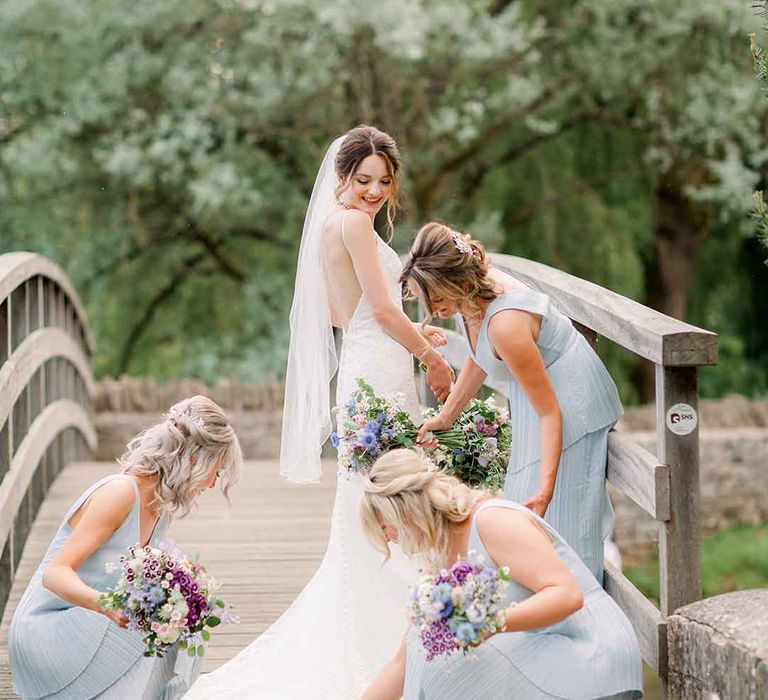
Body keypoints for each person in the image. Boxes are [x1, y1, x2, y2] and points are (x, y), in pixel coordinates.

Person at [185, 126, 454, 699]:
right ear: (342, 176)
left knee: (373, 495)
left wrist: (410, 335)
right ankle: (394, 637)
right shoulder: (354, 223)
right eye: (364, 180)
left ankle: (393, 634)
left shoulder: (334, 225)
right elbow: (380, 310)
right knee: (390, 496)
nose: (375, 191)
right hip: (379, 374)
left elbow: (347, 314)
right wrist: (430, 356)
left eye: (384, 181)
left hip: (366, 367)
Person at [403, 222, 622, 581]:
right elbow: (480, 356)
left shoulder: (507, 324)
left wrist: (546, 490)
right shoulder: (470, 296)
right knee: (522, 518)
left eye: (437, 299)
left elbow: (551, 412)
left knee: (559, 522)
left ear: (456, 281)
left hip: (569, 401)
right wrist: (446, 417)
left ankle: (577, 613)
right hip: (536, 397)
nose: (433, 310)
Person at [358, 449, 643, 700]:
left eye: (385, 527)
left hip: (589, 651)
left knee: (448, 673)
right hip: (545, 646)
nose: (389, 540)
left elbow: (567, 595)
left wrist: (487, 625)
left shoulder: (491, 520)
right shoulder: (442, 552)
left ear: (406, 511)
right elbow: (403, 663)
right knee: (427, 648)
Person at [9, 395, 243, 700]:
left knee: (180, 617)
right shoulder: (120, 493)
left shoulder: (161, 508)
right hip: (47, 632)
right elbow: (54, 574)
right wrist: (110, 606)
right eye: (217, 470)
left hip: (88, 628)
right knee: (146, 622)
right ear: (196, 459)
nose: (213, 483)